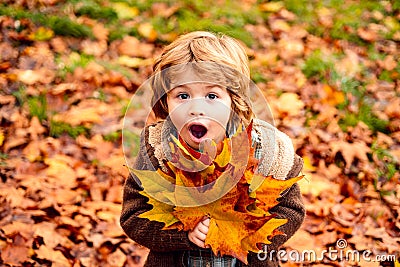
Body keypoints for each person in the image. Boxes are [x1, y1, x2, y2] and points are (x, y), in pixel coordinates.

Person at [120, 31, 305, 267]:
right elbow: (133, 216)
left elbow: (291, 210)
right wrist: (182, 235)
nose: (197, 108)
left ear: (234, 100)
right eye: (183, 95)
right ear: (166, 101)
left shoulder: (266, 152)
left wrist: (248, 236)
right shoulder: (158, 152)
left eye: (212, 95)